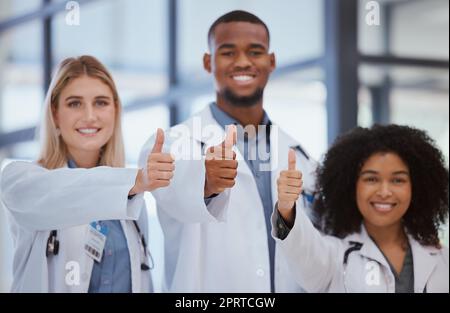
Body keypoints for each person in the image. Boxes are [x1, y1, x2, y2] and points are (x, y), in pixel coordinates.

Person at [139, 10, 317, 292]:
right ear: (208, 62)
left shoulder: (301, 157)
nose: (243, 62)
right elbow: (172, 191)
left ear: (271, 62)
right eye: (228, 52)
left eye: (255, 52)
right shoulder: (175, 144)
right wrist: (205, 182)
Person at [0, 55, 175, 292]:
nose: (90, 116)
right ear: (55, 114)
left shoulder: (133, 200)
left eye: (101, 102)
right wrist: (135, 181)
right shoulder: (19, 179)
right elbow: (65, 192)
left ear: (115, 111)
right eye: (74, 103)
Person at [273, 125, 449, 292]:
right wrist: (287, 208)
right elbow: (303, 251)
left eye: (398, 180)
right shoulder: (334, 257)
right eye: (371, 179)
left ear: (416, 187)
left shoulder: (442, 259)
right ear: (351, 186)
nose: (384, 192)